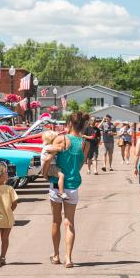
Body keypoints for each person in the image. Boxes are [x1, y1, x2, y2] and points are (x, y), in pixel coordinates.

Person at [48, 111, 89, 268]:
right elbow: (80, 164)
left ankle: (56, 255)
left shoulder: (61, 139)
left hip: (56, 185)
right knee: (69, 222)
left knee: (55, 221)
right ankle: (69, 258)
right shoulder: (85, 143)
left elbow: (49, 157)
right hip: (73, 185)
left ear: (70, 124)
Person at [39, 129, 68, 200]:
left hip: (49, 166)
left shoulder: (46, 146)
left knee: (57, 177)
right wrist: (60, 148)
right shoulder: (48, 146)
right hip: (50, 166)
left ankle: (59, 190)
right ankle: (61, 192)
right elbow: (52, 150)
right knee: (61, 175)